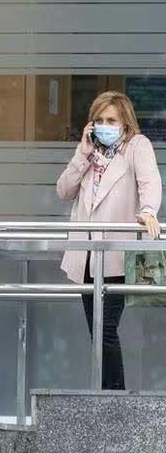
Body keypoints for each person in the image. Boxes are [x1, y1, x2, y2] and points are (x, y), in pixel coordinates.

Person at [56, 90, 162, 390]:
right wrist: (82, 154)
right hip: (86, 257)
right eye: (99, 119)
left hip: (116, 254)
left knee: (105, 330)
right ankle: (108, 395)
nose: (105, 124)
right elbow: (63, 191)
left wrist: (147, 211)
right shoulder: (90, 154)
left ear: (125, 123)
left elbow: (150, 183)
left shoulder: (136, 146)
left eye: (111, 119)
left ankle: (111, 397)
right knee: (98, 333)